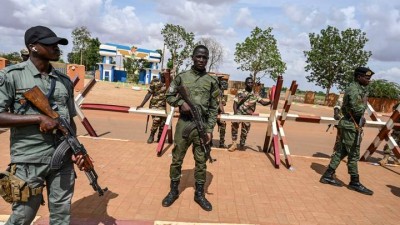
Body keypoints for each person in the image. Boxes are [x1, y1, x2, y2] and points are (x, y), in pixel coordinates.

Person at [0, 25, 85, 225]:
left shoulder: (64, 80)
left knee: (61, 216)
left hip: (62, 159)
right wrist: (38, 118)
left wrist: (76, 148)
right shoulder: (12, 75)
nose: (57, 48)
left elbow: (69, 119)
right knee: (23, 216)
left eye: (57, 44)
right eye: (51, 44)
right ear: (33, 47)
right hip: (29, 159)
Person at [161, 45, 219, 211]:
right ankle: (173, 191)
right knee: (177, 158)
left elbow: (214, 108)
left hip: (202, 126)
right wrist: (181, 103)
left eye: (204, 57)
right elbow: (169, 95)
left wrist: (209, 129)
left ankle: (199, 194)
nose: (201, 60)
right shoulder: (182, 77)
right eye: (198, 56)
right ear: (192, 57)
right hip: (184, 124)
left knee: (201, 161)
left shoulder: (212, 82)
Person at [320, 67, 374, 196]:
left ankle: (328, 175)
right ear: (358, 77)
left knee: (341, 151)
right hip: (351, 125)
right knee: (354, 154)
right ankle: (354, 182)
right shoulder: (354, 90)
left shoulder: (358, 88)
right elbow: (358, 110)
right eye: (367, 78)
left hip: (349, 124)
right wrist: (365, 102)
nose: (369, 81)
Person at [228, 77, 271, 152]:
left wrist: (270, 102)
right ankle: (234, 144)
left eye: (251, 83)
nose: (250, 84)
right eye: (248, 82)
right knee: (234, 127)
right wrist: (235, 114)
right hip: (239, 113)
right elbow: (235, 103)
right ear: (245, 83)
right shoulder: (240, 92)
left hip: (248, 115)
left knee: (244, 131)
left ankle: (242, 145)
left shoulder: (255, 94)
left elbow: (263, 103)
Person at [137, 73, 167, 143]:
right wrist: (142, 104)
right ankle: (152, 134)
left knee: (163, 123)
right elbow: (149, 94)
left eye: (165, 75)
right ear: (160, 75)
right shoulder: (155, 82)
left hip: (165, 106)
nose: (163, 76)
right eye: (162, 75)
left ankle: (160, 137)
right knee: (156, 120)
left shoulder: (170, 83)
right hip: (155, 105)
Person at [215, 75, 228, 148]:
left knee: (223, 125)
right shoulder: (213, 90)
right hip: (212, 113)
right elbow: (220, 103)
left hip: (219, 113)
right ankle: (209, 142)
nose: (220, 81)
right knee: (209, 127)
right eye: (218, 80)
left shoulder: (220, 90)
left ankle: (221, 143)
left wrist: (223, 102)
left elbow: (222, 102)